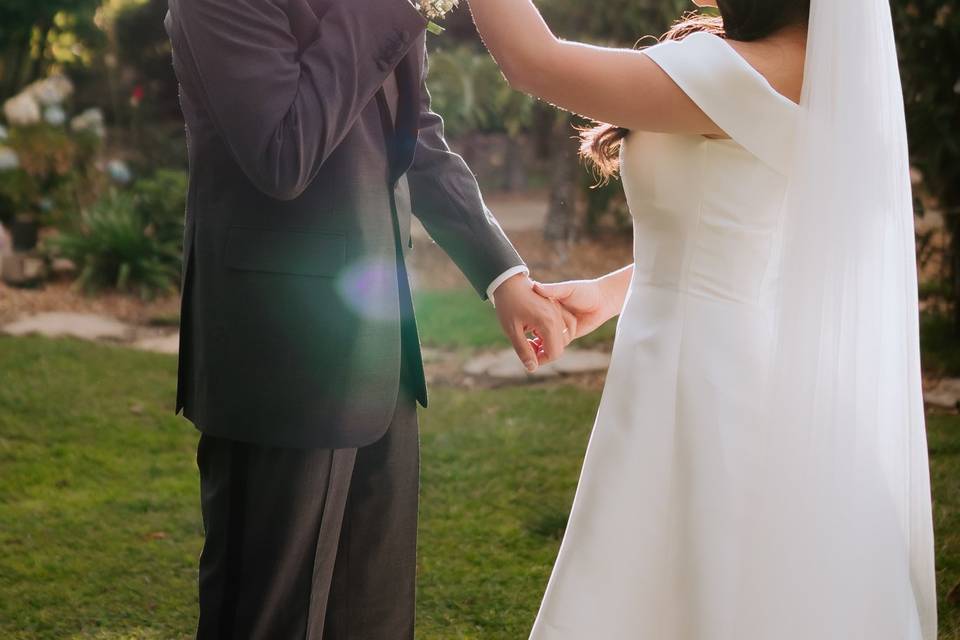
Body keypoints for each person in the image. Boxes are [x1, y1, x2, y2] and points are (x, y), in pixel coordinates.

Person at [466, 0, 939, 637]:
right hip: (728, 357)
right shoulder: (819, 73)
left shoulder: (746, 70)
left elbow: (535, 62)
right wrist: (614, 291)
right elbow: (753, 232)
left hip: (706, 385)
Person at [163, 0, 571, 637]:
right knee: (266, 619)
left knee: (373, 619)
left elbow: (414, 140)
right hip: (277, 363)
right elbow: (282, 155)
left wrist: (502, 276)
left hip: (380, 360)